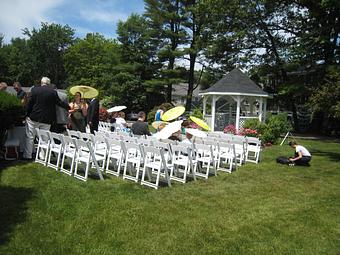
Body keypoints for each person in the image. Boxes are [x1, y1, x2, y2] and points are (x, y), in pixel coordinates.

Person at [23, 77, 70, 160]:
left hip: (34, 117)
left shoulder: (35, 90)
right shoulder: (53, 92)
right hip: (47, 119)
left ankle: (28, 156)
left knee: (30, 137)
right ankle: (42, 156)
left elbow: (30, 104)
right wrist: (68, 107)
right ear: (49, 84)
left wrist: (27, 114)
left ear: (41, 82)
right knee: (44, 138)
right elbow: (59, 103)